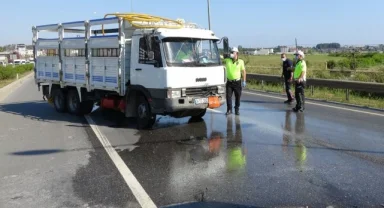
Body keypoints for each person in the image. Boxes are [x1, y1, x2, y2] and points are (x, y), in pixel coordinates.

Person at [223, 47, 246, 115]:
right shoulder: (227, 60)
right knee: (228, 96)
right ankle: (229, 109)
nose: (232, 53)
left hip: (237, 82)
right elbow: (221, 56)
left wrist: (244, 81)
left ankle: (236, 109)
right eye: (231, 52)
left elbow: (244, 71)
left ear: (237, 53)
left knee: (238, 96)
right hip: (229, 82)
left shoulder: (241, 61)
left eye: (233, 52)